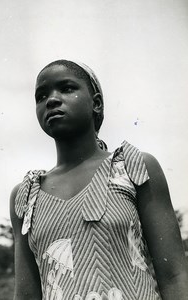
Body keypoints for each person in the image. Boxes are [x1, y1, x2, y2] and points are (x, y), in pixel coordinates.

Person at [10, 59, 188, 300]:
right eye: (41, 96)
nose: (51, 99)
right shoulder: (27, 196)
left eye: (67, 88)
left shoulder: (132, 167)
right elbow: (26, 295)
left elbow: (174, 275)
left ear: (96, 103)